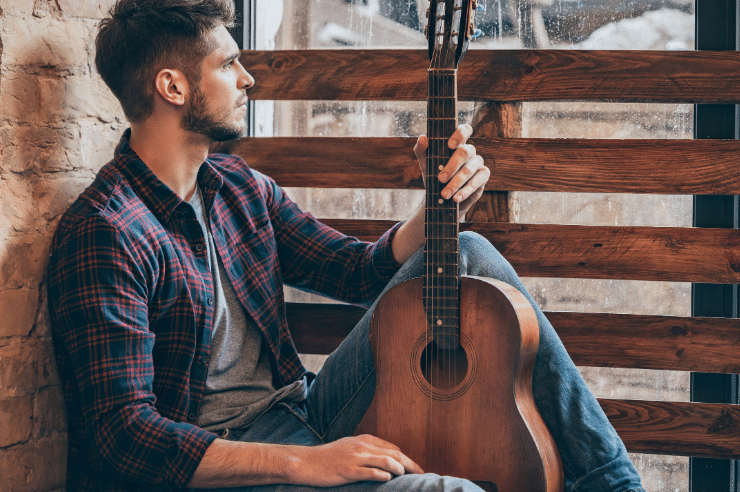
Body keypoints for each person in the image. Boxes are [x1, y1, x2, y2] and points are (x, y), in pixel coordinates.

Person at [46, 1, 646, 491]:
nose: (248, 78)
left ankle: (615, 484)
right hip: (224, 460)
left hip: (301, 407)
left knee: (469, 251)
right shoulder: (106, 232)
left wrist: (436, 213)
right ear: (172, 86)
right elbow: (122, 437)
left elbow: (356, 273)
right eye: (229, 64)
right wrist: (304, 463)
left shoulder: (234, 187)